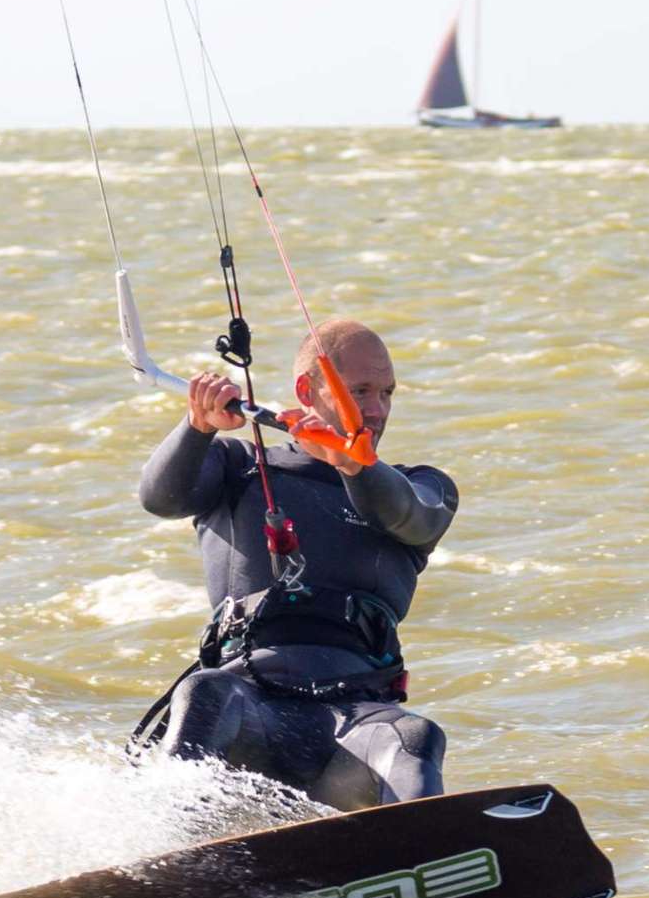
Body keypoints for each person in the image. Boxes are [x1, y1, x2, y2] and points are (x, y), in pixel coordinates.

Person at [137, 319, 458, 811]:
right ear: (308, 390)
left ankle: (425, 856)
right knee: (205, 694)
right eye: (361, 391)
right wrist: (196, 427)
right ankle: (161, 849)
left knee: (415, 737)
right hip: (247, 707)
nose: (376, 410)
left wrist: (355, 465)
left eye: (387, 393)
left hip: (354, 721)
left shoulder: (420, 487)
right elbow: (160, 498)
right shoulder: (237, 466)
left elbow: (411, 517)